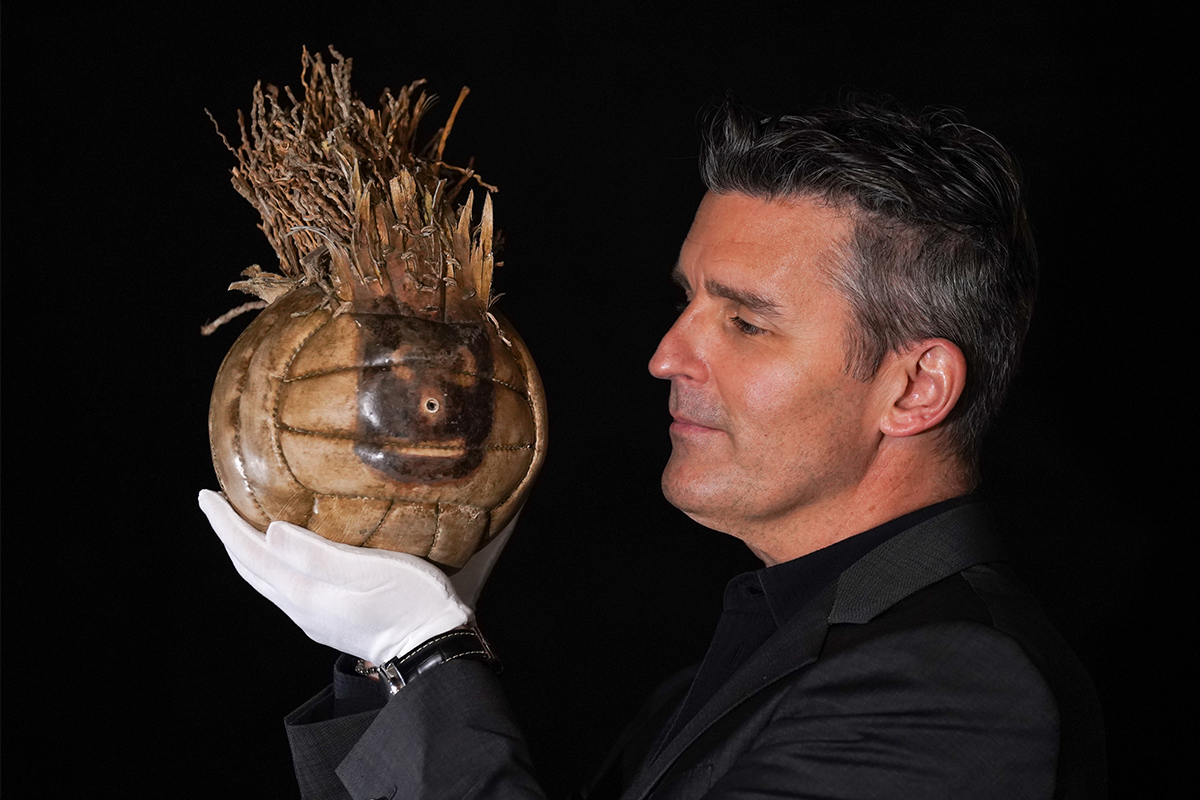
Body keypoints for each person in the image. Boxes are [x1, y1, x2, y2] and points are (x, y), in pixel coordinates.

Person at [202, 94, 1106, 798]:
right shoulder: (739, 668)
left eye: (746, 322)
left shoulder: (952, 692)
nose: (668, 354)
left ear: (916, 389)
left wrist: (424, 654)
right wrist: (384, 673)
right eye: (688, 300)